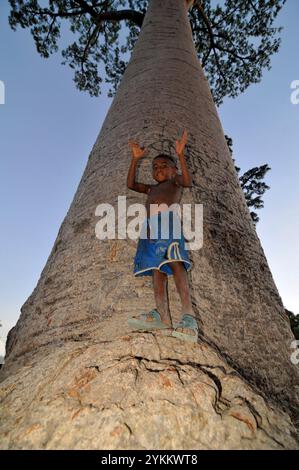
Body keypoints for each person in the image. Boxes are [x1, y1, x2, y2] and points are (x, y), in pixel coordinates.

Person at [126, 130, 199, 342]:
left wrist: (181, 155)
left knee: (176, 261)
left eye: (164, 166)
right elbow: (130, 184)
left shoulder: (175, 182)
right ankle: (162, 316)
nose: (158, 169)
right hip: (149, 228)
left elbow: (187, 180)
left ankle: (188, 316)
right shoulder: (151, 189)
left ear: (173, 170)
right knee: (156, 268)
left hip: (168, 223)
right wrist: (135, 159)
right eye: (155, 167)